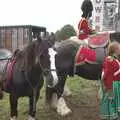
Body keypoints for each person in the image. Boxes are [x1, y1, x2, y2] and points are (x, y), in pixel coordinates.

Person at [100, 42, 120, 120]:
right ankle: (111, 116)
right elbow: (107, 75)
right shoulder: (109, 60)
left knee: (115, 100)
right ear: (115, 50)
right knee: (110, 100)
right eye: (119, 48)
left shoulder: (115, 59)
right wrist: (109, 88)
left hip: (117, 84)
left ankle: (115, 114)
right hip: (112, 85)